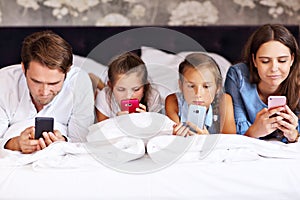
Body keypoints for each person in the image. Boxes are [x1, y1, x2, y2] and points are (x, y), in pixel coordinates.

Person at [0, 30, 95, 153]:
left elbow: (81, 142)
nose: (44, 92)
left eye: (53, 83)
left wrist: (63, 142)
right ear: (23, 68)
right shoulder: (4, 82)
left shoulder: (79, 83)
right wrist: (15, 144)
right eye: (36, 81)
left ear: (67, 72)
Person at [225, 24, 300, 143]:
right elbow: (232, 136)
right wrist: (254, 132)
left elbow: (297, 135)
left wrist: (293, 135)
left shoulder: (298, 81)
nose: (274, 68)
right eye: (265, 61)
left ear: (292, 59)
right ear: (254, 60)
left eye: (282, 60)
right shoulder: (237, 76)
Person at [165, 53, 236, 136]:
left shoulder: (224, 101)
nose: (198, 94)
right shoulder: (173, 102)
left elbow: (230, 141)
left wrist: (207, 140)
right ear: (181, 85)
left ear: (218, 87)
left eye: (206, 86)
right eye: (191, 86)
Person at [95, 52, 163, 122]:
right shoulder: (104, 98)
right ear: (111, 86)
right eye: (121, 89)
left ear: (145, 87)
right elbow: (102, 130)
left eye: (136, 89)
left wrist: (147, 121)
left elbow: (157, 128)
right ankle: (95, 80)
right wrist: (117, 122)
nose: (128, 96)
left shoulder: (153, 97)